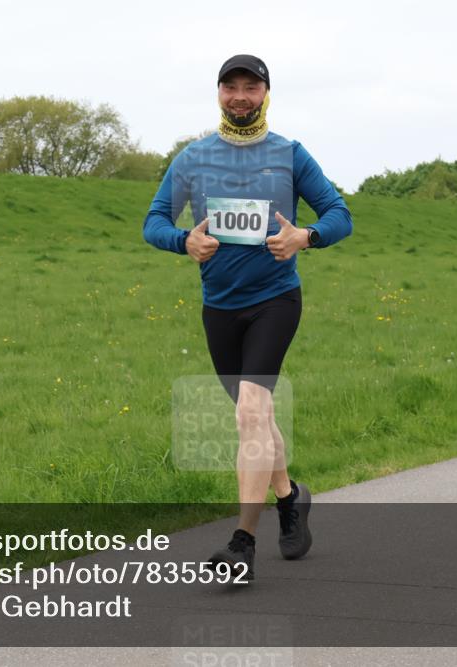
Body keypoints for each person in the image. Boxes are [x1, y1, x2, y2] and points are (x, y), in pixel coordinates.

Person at [142, 54, 353, 581]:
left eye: (250, 87)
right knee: (258, 419)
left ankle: (241, 544)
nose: (240, 96)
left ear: (266, 93)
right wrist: (183, 240)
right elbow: (153, 222)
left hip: (275, 300)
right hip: (220, 307)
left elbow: (339, 214)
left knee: (249, 415)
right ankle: (289, 498)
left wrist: (306, 236)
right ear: (218, 93)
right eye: (230, 86)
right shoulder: (193, 158)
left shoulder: (288, 154)